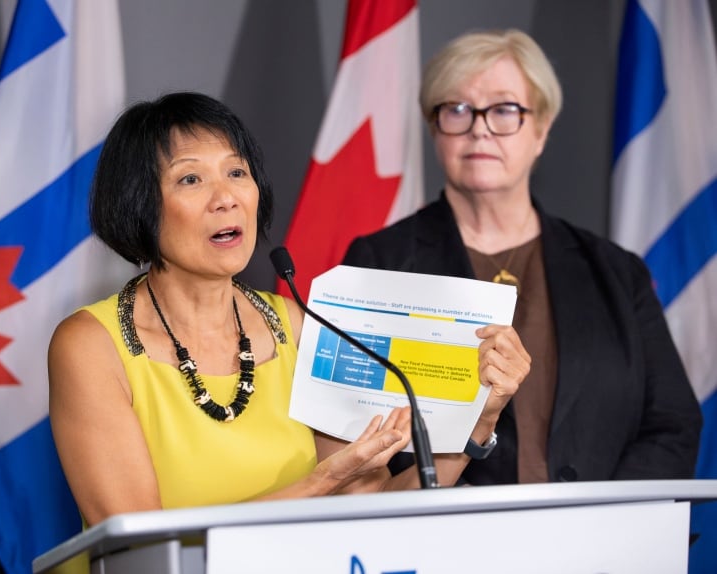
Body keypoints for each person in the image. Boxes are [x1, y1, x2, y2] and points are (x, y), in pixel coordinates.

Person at [48, 91, 530, 528]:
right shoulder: (91, 346)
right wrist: (320, 484)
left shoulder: (302, 325)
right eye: (191, 178)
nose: (227, 198)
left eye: (237, 172)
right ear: (139, 206)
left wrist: (479, 421)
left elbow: (376, 516)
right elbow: (141, 548)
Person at [342, 29, 703, 484]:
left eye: (504, 110)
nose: (479, 128)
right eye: (456, 110)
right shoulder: (380, 261)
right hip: (449, 541)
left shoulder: (615, 271)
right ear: (435, 128)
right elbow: (356, 434)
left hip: (604, 544)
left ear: (542, 128)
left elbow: (671, 424)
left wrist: (607, 520)